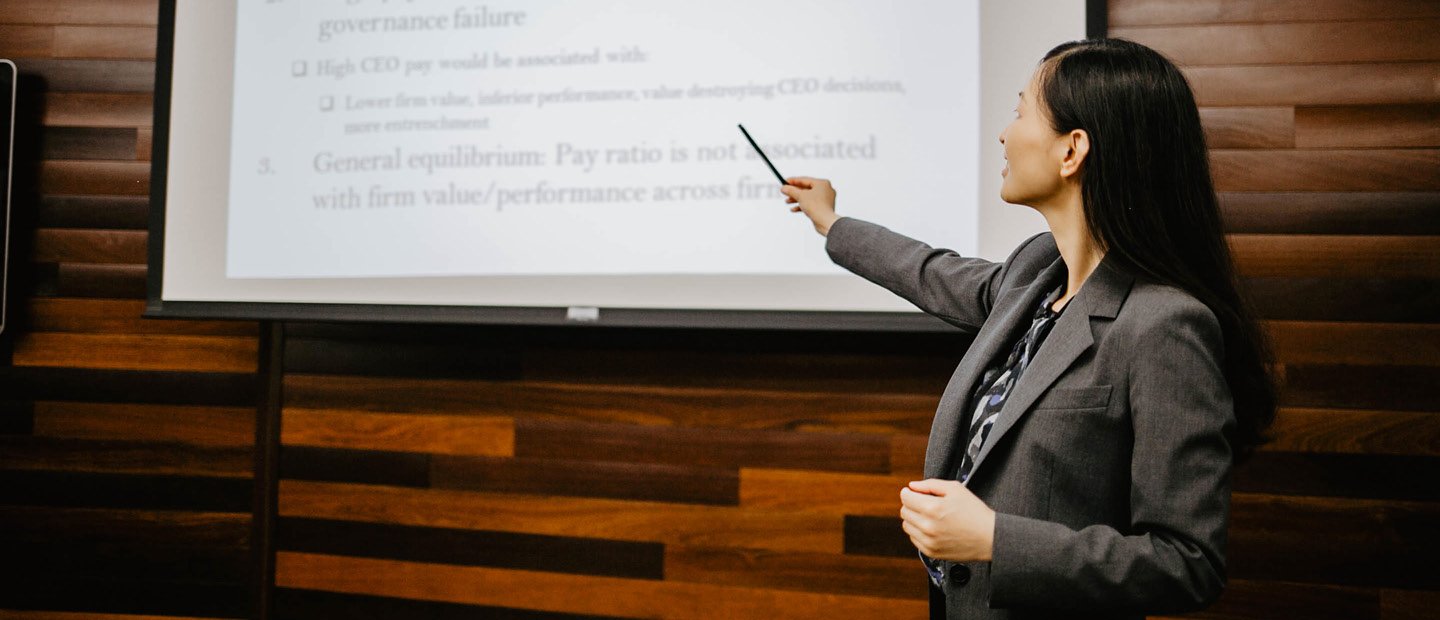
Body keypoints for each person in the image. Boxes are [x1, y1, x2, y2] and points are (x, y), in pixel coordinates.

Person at [780, 38, 1277, 619]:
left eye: (1021, 112)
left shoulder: (1165, 325)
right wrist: (832, 223)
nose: (1004, 134)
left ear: (1073, 151)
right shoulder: (1035, 271)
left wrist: (995, 539)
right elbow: (931, 271)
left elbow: (1188, 562)